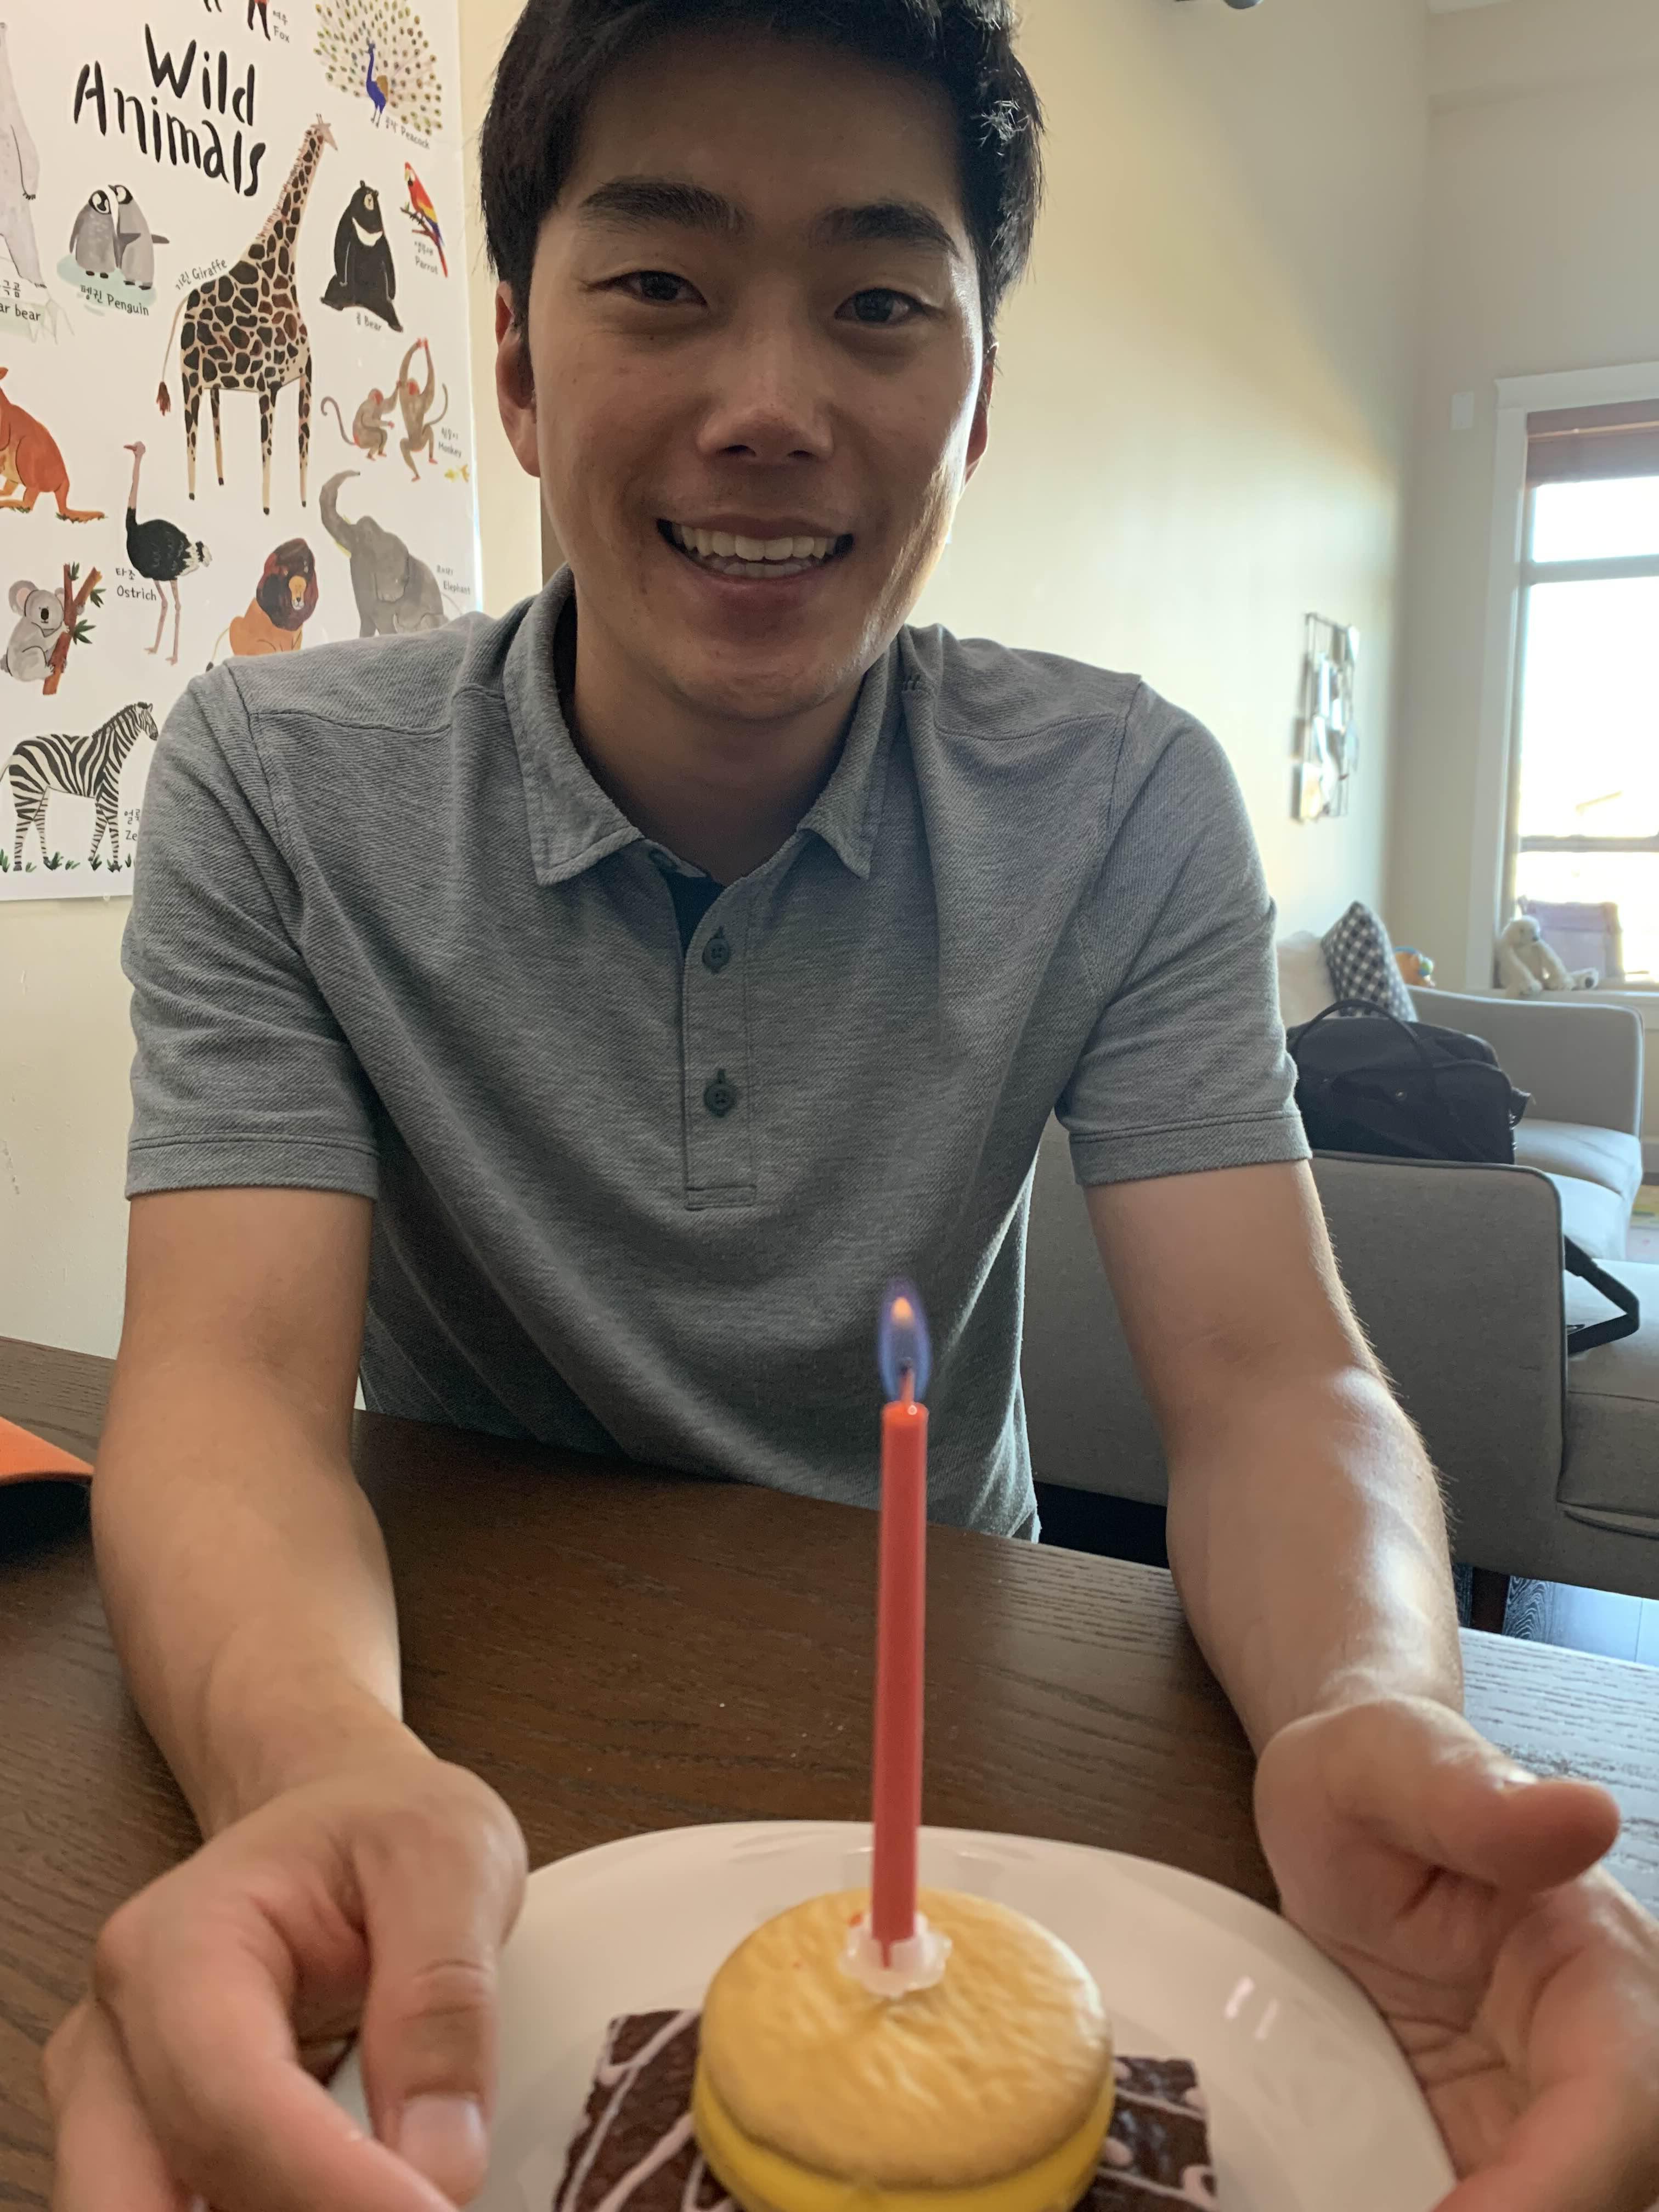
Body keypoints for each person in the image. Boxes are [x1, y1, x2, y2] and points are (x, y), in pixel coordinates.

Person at [44, 3, 1659, 2209]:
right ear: (514, 361)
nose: (772, 406)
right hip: (442, 1695)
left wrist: (1374, 1706)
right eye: (661, 283)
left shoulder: (1122, 801)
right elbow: (225, 1393)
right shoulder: (275, 790)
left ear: (976, 401)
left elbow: (1278, 1384)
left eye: (882, 304)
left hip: (964, 1716)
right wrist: (312, 1768)